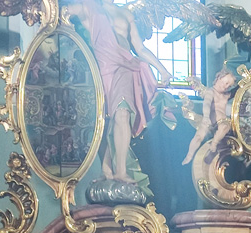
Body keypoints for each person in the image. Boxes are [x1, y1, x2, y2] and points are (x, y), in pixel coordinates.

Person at [66, 0, 172, 182]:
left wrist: (162, 70)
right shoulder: (89, 7)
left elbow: (140, 48)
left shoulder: (126, 14)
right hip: (102, 69)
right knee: (105, 121)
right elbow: (61, 13)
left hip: (126, 66)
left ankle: (121, 171)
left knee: (122, 113)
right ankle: (106, 170)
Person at [183, 69, 237, 165]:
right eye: (226, 83)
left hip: (221, 121)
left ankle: (214, 145)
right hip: (208, 121)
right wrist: (206, 117)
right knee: (198, 137)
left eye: (229, 86)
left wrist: (248, 79)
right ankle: (189, 155)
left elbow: (237, 90)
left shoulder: (226, 95)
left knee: (225, 127)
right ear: (219, 78)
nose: (226, 87)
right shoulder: (210, 92)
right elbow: (207, 104)